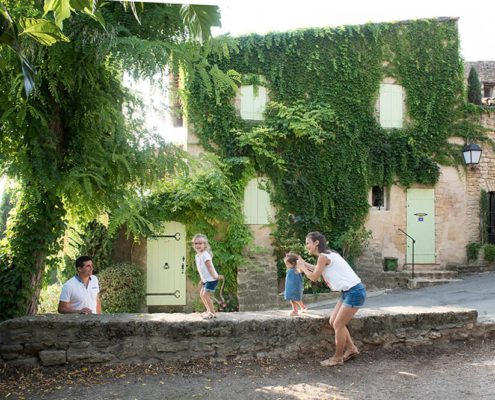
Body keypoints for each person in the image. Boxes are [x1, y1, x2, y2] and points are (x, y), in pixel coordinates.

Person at [297, 231, 366, 367]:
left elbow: (314, 277)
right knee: (333, 321)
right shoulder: (329, 254)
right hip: (349, 291)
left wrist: (302, 267)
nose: (306, 246)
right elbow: (318, 269)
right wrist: (304, 264)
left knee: (338, 324)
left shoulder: (323, 257)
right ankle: (352, 349)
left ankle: (337, 358)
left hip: (354, 292)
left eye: (307, 243)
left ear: (316, 243)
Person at [192, 233, 220, 319]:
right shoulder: (197, 256)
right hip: (206, 279)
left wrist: (215, 276)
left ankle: (213, 313)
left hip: (211, 279)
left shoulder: (205, 255)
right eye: (196, 243)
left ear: (205, 244)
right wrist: (202, 280)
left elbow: (209, 267)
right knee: (202, 294)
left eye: (200, 243)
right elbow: (201, 270)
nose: (198, 245)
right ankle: (208, 311)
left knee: (205, 295)